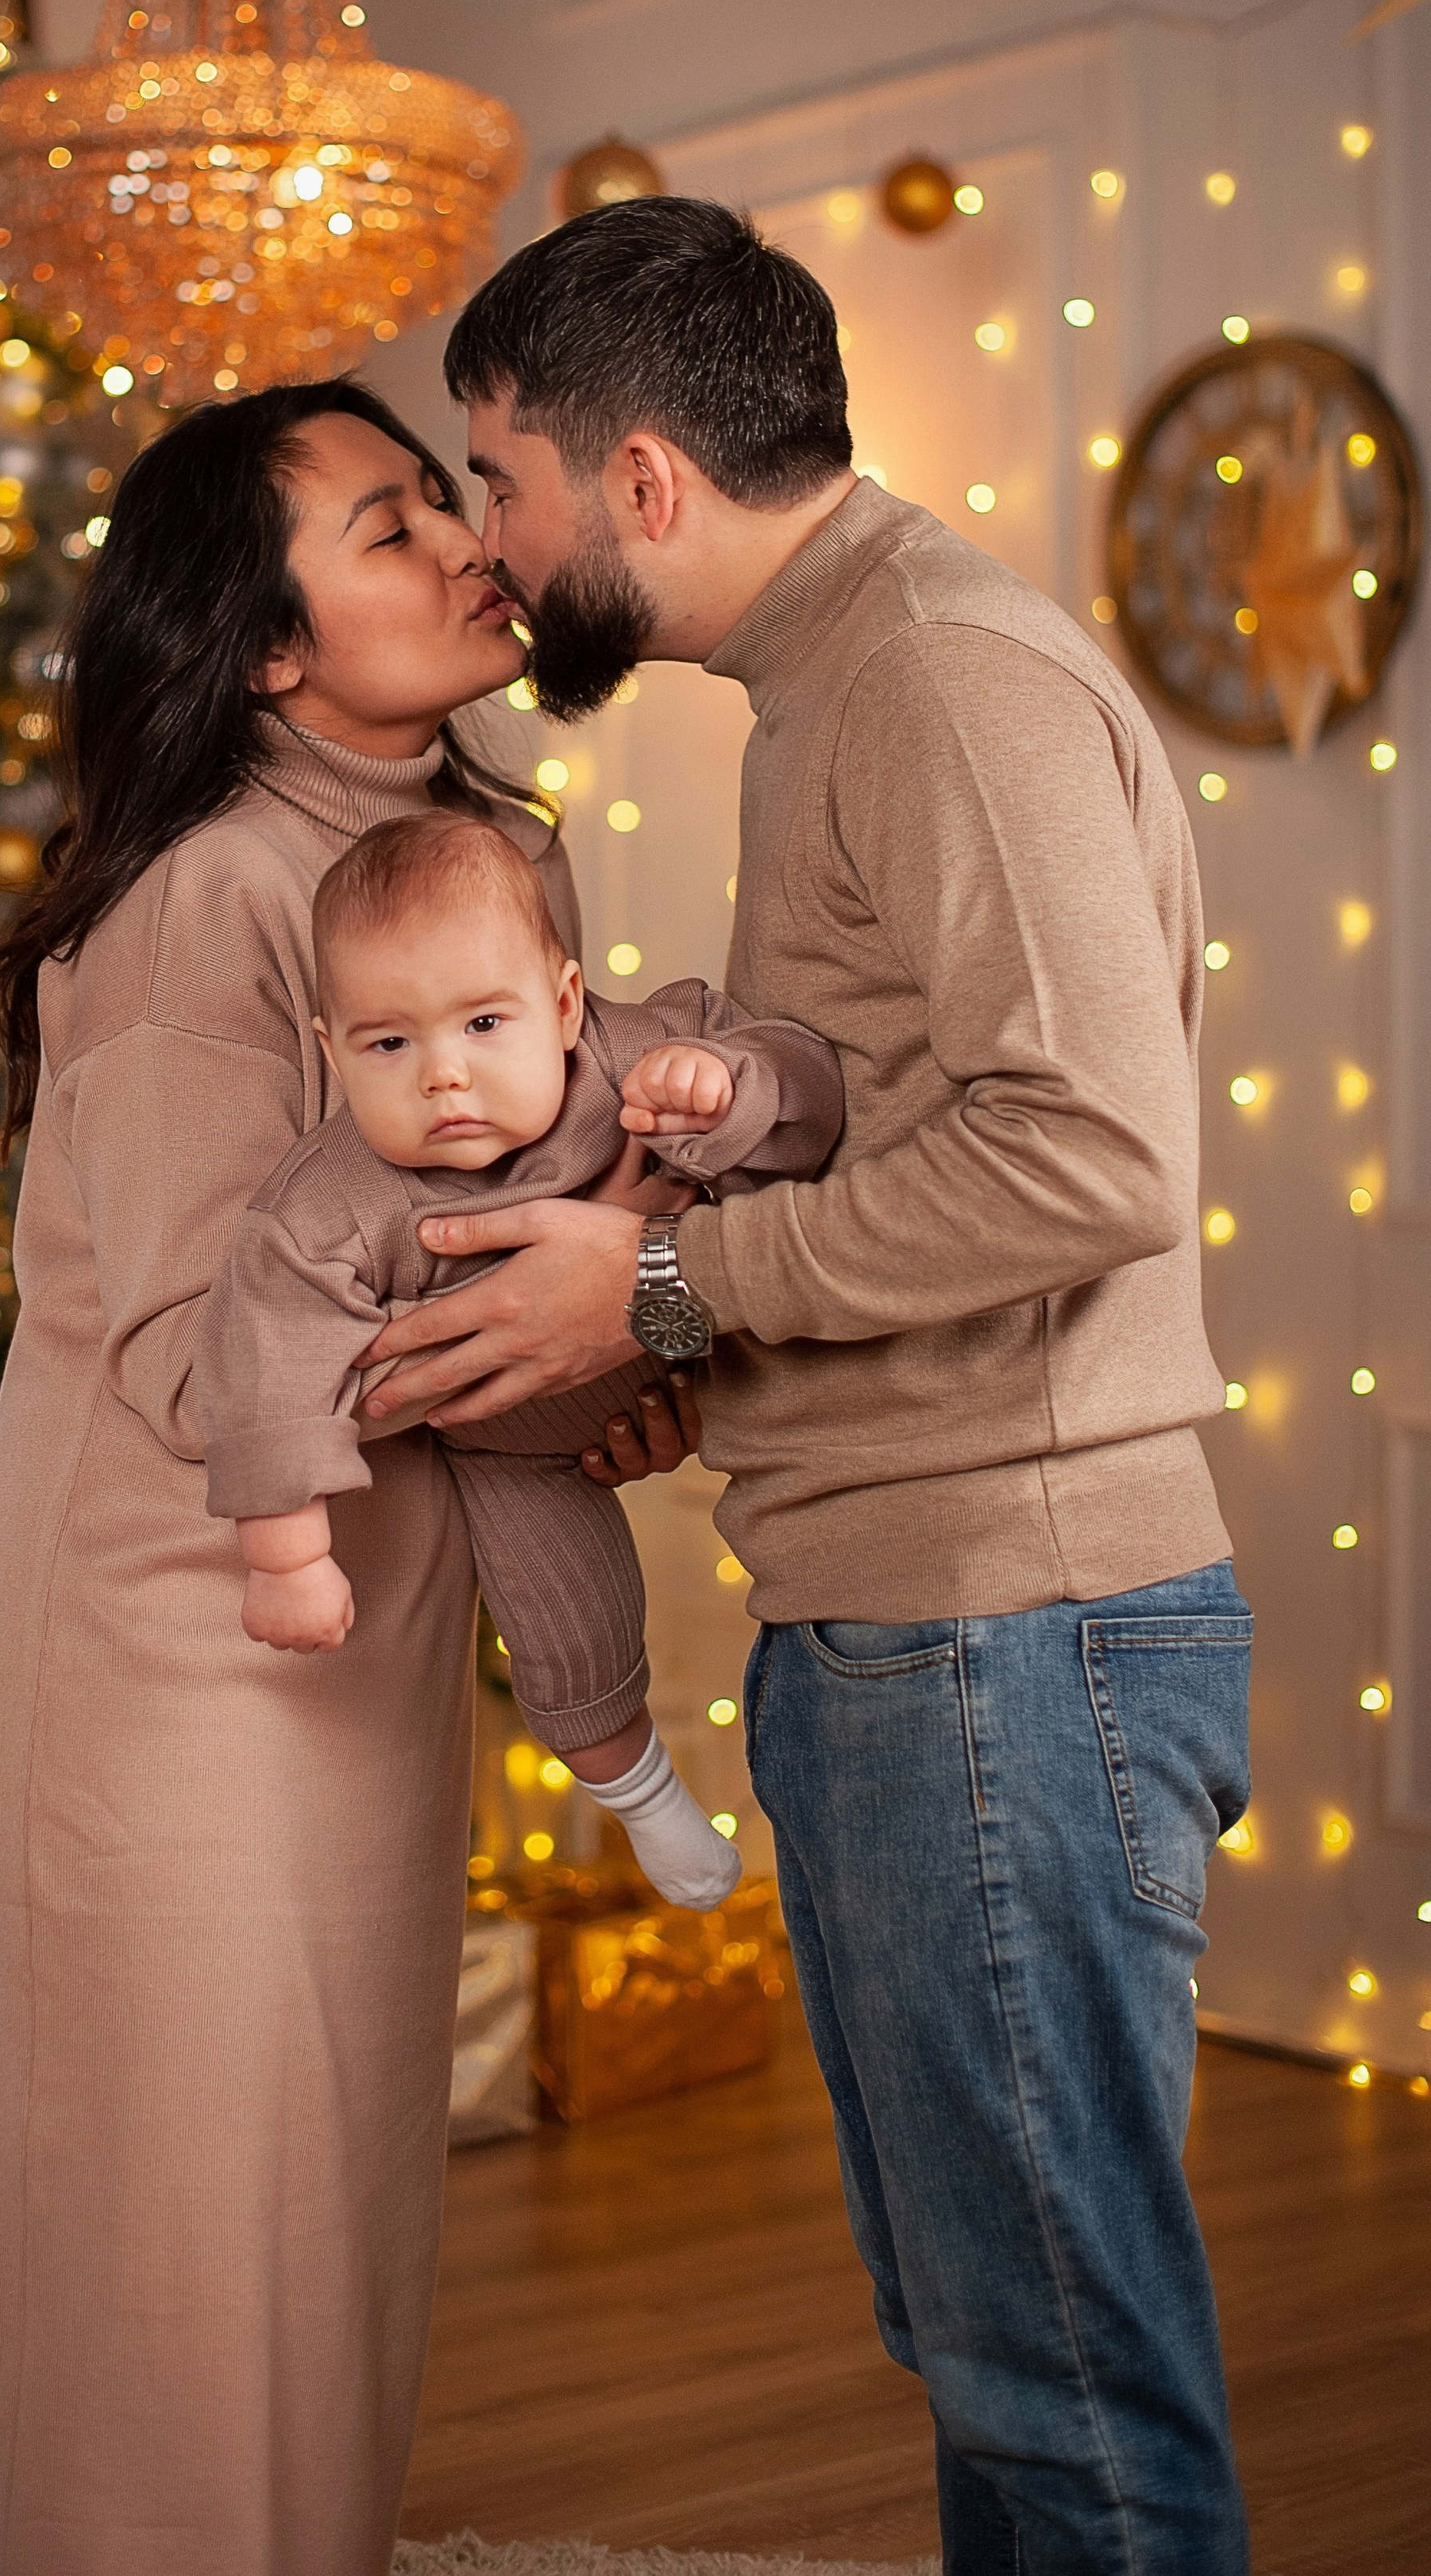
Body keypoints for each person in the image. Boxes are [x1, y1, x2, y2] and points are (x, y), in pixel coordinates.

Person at [361, 197, 1253, 2576]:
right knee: (996, 2349)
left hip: (1006, 1630)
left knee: (1060, 2380)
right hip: (933, 1622)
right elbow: (911, 1140)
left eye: (498, 479)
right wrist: (685, 1332)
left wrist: (662, 1293)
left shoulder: (943, 683)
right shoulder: (846, 686)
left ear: (643, 484)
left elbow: (1089, 1162)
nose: (482, 540)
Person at [0, 376, 692, 2576]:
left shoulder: (456, 857)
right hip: (172, 1647)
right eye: (389, 525)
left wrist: (591, 1359)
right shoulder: (205, 906)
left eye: (448, 496)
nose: (467, 538)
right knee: (184, 2256)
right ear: (267, 647)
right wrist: (561, 1333)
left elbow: (487, 1238)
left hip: (351, 1628)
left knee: (317, 2237)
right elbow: (199, 1354)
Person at [199, 805, 843, 1908]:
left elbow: (817, 1097)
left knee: (781, 1307)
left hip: (712, 1352)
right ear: (329, 1050)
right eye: (389, 1044)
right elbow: (268, 1369)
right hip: (520, 1453)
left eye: (484, 1026)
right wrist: (287, 1555)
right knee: (567, 1633)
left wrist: (733, 1090)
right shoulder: (325, 1206)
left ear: (563, 1003)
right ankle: (646, 1800)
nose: (443, 1076)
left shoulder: (637, 1055)